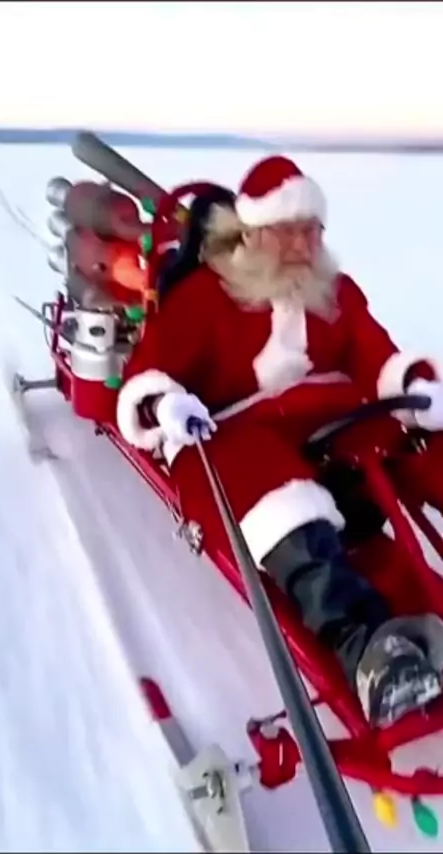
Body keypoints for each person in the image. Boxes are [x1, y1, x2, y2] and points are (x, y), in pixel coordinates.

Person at [116, 154, 443, 728]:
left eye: (311, 230)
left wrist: (413, 385)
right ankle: (366, 651)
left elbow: (376, 356)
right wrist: (164, 403)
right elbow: (150, 374)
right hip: (238, 438)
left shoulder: (335, 293)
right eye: (287, 231)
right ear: (251, 232)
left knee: (426, 439)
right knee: (271, 486)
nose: (302, 245)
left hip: (334, 428)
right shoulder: (206, 297)